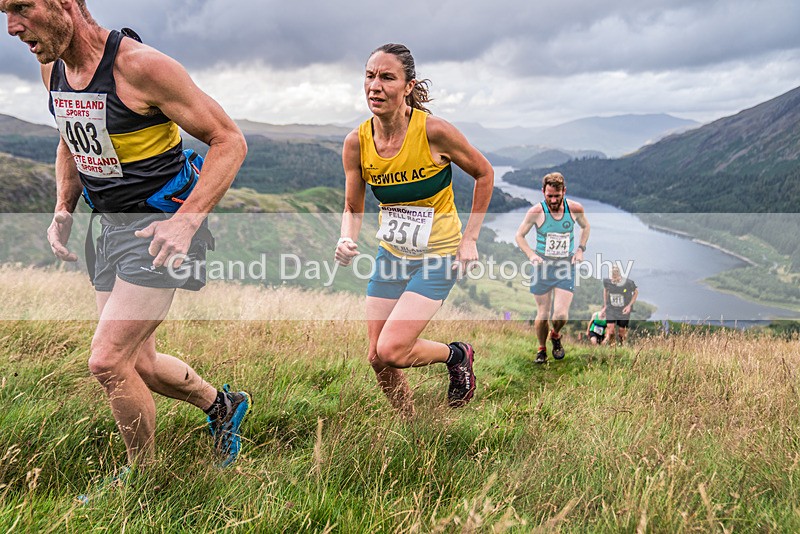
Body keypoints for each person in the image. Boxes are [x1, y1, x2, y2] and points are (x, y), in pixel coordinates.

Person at [2, 0, 251, 472]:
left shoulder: (141, 67)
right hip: (109, 226)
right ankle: (222, 405)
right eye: (3, 12)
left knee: (107, 360)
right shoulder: (53, 68)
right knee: (140, 363)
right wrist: (63, 207)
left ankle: (142, 479)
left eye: (21, 7)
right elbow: (70, 138)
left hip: (159, 226)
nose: (12, 26)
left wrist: (186, 222)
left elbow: (229, 140)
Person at [335, 43, 494, 415]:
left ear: (408, 86)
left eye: (387, 77)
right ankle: (411, 425)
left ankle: (457, 355)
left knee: (393, 349)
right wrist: (346, 237)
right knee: (377, 357)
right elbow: (352, 207)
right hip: (392, 254)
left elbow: (484, 173)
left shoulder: (433, 131)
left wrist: (470, 238)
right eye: (370, 76)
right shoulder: (357, 143)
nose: (375, 85)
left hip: (438, 254)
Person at [515, 172, 590, 363]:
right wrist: (531, 255)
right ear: (543, 192)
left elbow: (585, 226)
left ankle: (555, 334)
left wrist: (580, 249)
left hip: (565, 266)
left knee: (561, 315)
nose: (554, 200)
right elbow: (519, 236)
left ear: (564, 191)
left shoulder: (574, 208)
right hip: (542, 266)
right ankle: (541, 350)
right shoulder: (536, 212)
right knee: (543, 314)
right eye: (549, 196)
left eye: (557, 196)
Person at [602, 265, 638, 345]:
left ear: (619, 275)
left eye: (615, 278)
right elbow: (605, 290)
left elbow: (636, 292)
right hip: (611, 308)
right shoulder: (607, 281)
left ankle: (622, 345)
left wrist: (629, 306)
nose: (613, 280)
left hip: (623, 310)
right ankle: (612, 347)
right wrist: (605, 305)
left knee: (621, 332)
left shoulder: (628, 283)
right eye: (612, 278)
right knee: (611, 331)